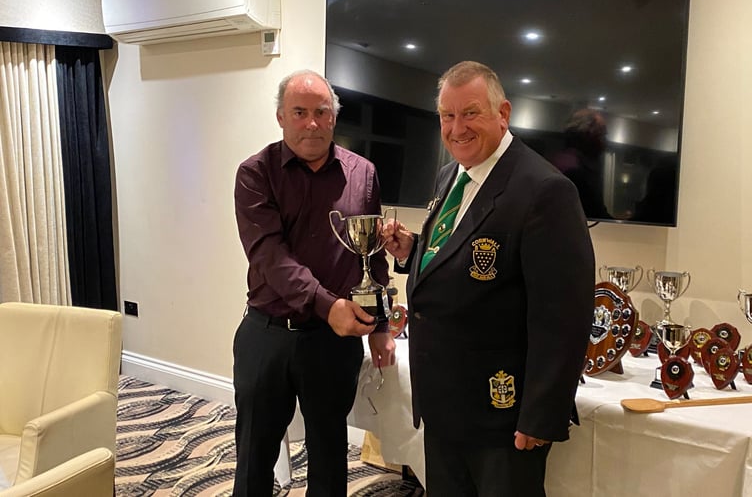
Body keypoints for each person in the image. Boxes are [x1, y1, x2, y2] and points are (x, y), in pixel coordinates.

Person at [382, 61, 595, 496]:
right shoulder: (450, 176)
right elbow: (458, 256)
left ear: (504, 113)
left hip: (501, 413)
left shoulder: (544, 189)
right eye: (447, 115)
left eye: (471, 112)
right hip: (443, 404)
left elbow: (565, 316)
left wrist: (541, 413)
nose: (456, 127)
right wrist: (412, 253)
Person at [232, 70, 396, 496]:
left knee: (329, 453)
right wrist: (329, 306)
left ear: (333, 118)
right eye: (299, 112)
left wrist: (379, 326)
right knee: (254, 455)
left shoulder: (363, 173)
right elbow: (269, 256)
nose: (311, 123)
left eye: (321, 112)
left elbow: (372, 254)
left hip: (332, 342)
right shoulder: (255, 173)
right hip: (267, 335)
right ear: (281, 117)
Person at [550, 108, 610, 219]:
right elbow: (595, 215)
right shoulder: (575, 171)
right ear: (588, 135)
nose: (604, 143)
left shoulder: (559, 161)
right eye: (601, 135)